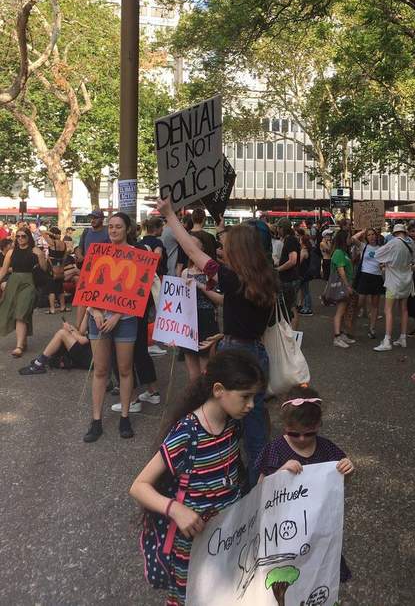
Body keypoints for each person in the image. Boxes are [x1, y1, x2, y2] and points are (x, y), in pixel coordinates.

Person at [157, 196, 278, 487]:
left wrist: (170, 214)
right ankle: (260, 483)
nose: (222, 251)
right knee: (254, 418)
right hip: (257, 353)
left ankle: (231, 476)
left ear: (239, 252)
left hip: (235, 355)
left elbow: (191, 249)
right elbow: (241, 311)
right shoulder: (266, 278)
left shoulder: (232, 277)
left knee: (225, 418)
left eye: (227, 247)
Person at [130, 350, 265, 606]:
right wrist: (176, 510)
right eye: (245, 396)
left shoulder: (233, 423)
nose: (251, 405)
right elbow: (139, 486)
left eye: (254, 397)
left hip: (227, 535)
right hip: (193, 545)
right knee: (191, 597)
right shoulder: (187, 432)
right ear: (218, 390)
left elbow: (229, 472)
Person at [255, 384, 354, 583]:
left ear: (319, 425)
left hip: (318, 528)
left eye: (309, 433)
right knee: (290, 576)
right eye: (294, 433)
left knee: (320, 574)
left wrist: (347, 468)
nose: (301, 439)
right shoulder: (275, 450)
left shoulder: (326, 449)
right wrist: (280, 473)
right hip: (285, 529)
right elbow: (260, 489)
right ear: (285, 426)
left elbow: (339, 481)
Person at [82, 212, 140, 443]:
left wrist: (117, 315)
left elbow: (138, 290)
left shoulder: (136, 255)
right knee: (100, 370)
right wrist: (94, 311)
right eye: (111, 227)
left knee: (125, 369)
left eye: (118, 226)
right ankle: (96, 420)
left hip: (125, 320)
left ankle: (125, 417)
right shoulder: (98, 252)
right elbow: (87, 286)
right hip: (97, 318)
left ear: (127, 229)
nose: (114, 230)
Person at [373, 223, 415, 351]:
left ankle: (387, 340)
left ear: (394, 233)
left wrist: (387, 262)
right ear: (404, 232)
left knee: (388, 310)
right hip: (406, 281)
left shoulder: (393, 243)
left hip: (393, 281)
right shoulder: (411, 243)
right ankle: (403, 338)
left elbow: (377, 255)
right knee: (404, 309)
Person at [0, 227, 47, 357]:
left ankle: (19, 346)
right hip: (13, 283)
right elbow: (3, 271)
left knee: (21, 312)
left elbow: (44, 268)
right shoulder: (11, 252)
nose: (20, 238)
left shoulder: (35, 251)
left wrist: (40, 256)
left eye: (23, 236)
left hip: (29, 283)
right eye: (18, 236)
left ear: (28, 237)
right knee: (16, 311)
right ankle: (23, 341)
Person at [181, 232, 221, 382]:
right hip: (188, 321)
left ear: (203, 247)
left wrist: (200, 286)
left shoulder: (213, 272)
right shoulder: (185, 272)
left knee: (206, 368)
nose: (189, 247)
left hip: (206, 319)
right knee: (192, 372)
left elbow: (221, 300)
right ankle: (195, 395)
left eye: (193, 243)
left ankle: (206, 395)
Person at [19, 316, 92, 374]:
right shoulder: (92, 312)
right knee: (66, 331)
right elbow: (81, 332)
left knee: (62, 333)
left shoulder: (98, 317)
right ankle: (47, 359)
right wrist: (87, 313)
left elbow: (83, 340)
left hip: (91, 358)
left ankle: (39, 363)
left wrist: (70, 330)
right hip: (88, 350)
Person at [351, 228, 384, 339]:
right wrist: (362, 231)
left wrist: (383, 265)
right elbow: (353, 238)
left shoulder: (381, 248)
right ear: (366, 237)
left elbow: (384, 262)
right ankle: (351, 326)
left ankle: (372, 329)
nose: (371, 237)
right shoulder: (363, 246)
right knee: (359, 303)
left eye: (373, 234)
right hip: (365, 276)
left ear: (376, 235)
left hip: (376, 277)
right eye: (369, 235)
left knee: (375, 305)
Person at [329, 229, 356, 348]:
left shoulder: (343, 252)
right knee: (340, 312)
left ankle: (341, 334)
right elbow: (341, 271)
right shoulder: (339, 253)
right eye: (349, 237)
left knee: (344, 311)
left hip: (345, 285)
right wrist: (347, 286)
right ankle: (337, 337)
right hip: (342, 286)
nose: (351, 239)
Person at [275, 218, 301, 330]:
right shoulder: (290, 240)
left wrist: (278, 269)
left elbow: (292, 260)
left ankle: (292, 333)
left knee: (290, 308)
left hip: (289, 279)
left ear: (282, 228)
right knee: (290, 307)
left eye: (278, 228)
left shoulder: (290, 240)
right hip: (289, 279)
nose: (277, 230)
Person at [45, 226, 68, 314]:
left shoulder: (52, 242)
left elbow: (42, 232)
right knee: (60, 288)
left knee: (51, 289)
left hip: (52, 267)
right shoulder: (64, 244)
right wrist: (61, 267)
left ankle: (52, 308)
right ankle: (63, 306)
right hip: (60, 268)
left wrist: (52, 234)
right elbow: (65, 257)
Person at [297, 234, 314, 316]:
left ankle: (308, 308)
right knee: (305, 291)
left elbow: (298, 262)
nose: (299, 241)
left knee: (306, 291)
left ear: (303, 241)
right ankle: (305, 306)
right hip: (305, 273)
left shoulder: (303, 251)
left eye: (300, 240)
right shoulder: (307, 249)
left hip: (303, 273)